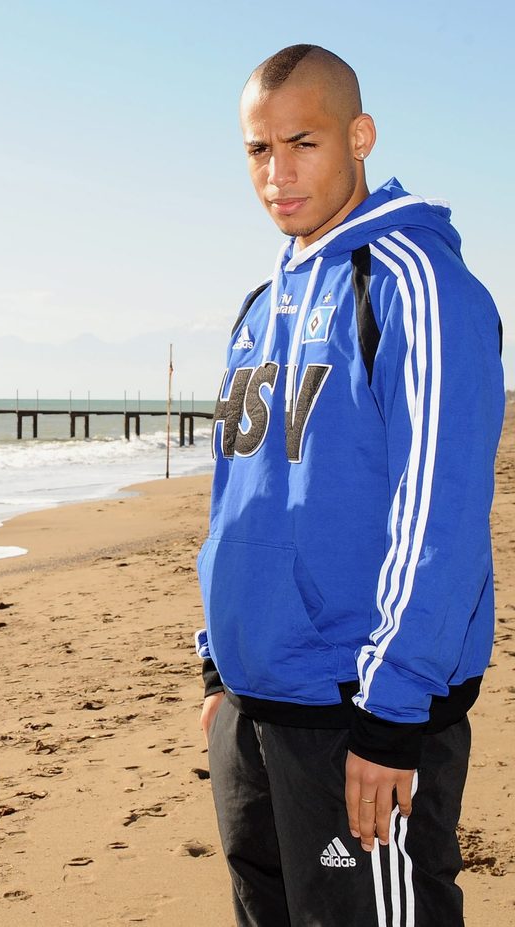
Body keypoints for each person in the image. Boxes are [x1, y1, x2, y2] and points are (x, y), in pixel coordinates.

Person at [195, 44, 503, 926]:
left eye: (303, 143)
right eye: (259, 151)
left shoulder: (418, 284)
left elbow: (440, 515)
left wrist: (389, 717)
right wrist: (217, 661)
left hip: (358, 714)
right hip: (255, 713)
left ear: (358, 135)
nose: (277, 174)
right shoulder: (261, 304)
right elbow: (233, 492)